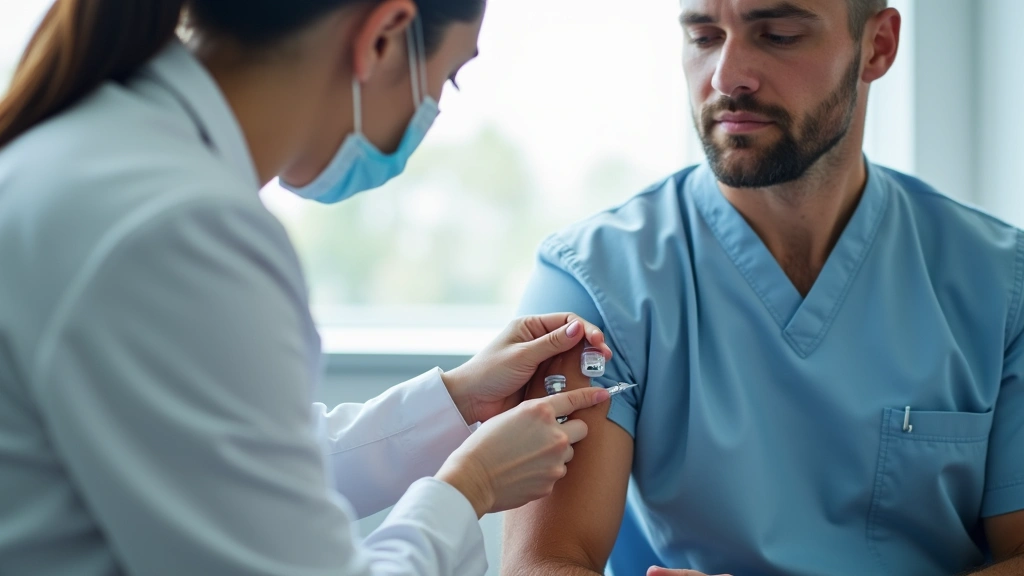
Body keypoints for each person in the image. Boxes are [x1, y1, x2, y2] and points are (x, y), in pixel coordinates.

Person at [0, 0, 616, 574]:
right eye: (448, 79)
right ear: (382, 36)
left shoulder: (104, 154)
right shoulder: (178, 226)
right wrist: (470, 488)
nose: (432, 110)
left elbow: (232, 465)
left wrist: (455, 402)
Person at [503, 1, 1024, 575]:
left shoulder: (1001, 285)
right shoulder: (596, 283)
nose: (726, 77)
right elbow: (544, 563)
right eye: (704, 37)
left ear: (876, 46)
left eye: (777, 36)